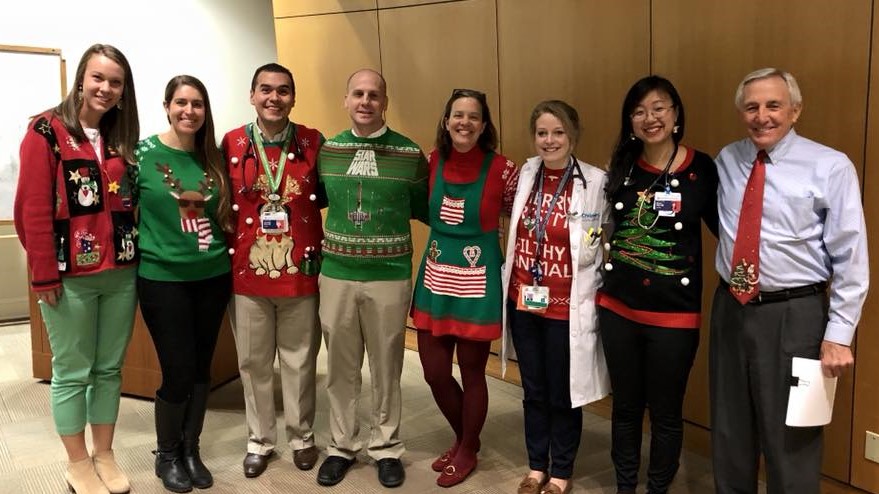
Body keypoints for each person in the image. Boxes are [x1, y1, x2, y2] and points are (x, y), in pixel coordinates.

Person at [711, 68, 869, 494]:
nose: (761, 116)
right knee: (729, 429)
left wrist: (839, 335)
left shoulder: (830, 166)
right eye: (751, 107)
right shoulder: (727, 159)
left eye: (773, 105)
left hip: (796, 313)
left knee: (793, 438)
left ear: (795, 110)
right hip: (730, 307)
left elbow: (851, 256)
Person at [14, 43, 139, 494]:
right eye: (98, 78)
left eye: (115, 82)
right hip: (69, 277)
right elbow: (31, 209)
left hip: (121, 271)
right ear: (81, 78)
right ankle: (77, 462)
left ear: (124, 91)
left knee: (109, 370)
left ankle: (104, 453)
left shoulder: (121, 137)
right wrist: (43, 273)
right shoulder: (45, 131)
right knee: (72, 370)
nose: (105, 88)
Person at [596, 76, 718, 494]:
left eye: (659, 107)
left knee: (666, 413)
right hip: (619, 309)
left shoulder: (702, 169)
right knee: (626, 408)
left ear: (676, 113)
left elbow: (727, 230)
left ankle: (658, 489)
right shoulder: (622, 166)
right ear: (629, 120)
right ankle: (625, 486)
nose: (650, 118)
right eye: (639, 111)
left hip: (675, 315)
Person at [315, 68, 428, 489]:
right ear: (346, 100)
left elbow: (425, 208)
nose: (366, 101)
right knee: (340, 367)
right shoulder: (328, 151)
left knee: (386, 365)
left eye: (374, 95)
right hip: (337, 274)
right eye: (358, 94)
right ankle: (342, 446)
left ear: (385, 103)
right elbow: (315, 201)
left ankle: (386, 447)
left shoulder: (409, 154)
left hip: (389, 276)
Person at [221, 63, 326, 478]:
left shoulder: (313, 142)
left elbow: (325, 196)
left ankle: (301, 436)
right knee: (254, 361)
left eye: (283, 91)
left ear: (293, 98)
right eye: (265, 90)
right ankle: (260, 440)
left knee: (300, 360)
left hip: (299, 270)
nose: (274, 98)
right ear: (252, 95)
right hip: (248, 271)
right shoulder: (231, 142)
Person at [501, 100, 610, 494]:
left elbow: (606, 238)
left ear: (573, 135)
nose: (549, 140)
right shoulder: (527, 174)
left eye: (558, 132)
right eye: (542, 133)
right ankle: (536, 466)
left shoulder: (595, 182)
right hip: (524, 302)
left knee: (564, 392)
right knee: (533, 390)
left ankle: (561, 471)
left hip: (566, 308)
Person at [410, 88, 518, 487]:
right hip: (437, 275)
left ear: (484, 125)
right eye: (458, 114)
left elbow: (519, 216)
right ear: (446, 120)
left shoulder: (505, 169)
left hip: (478, 278)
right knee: (435, 372)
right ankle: (465, 439)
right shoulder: (431, 162)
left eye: (474, 116)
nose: (465, 122)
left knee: (473, 372)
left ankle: (467, 448)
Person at [135, 75, 233, 493]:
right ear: (166, 107)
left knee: (200, 369)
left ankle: (191, 450)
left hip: (212, 277)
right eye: (181, 102)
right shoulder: (141, 155)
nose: (189, 111)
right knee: (177, 370)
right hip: (162, 280)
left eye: (197, 104)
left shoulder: (215, 159)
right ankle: (167, 453)